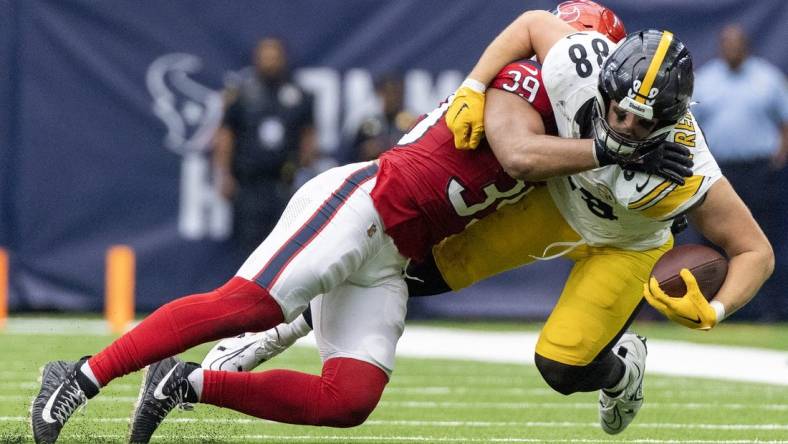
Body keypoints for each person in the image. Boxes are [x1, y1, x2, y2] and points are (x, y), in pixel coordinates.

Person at [201, 3, 773, 438]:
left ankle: (620, 372)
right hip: (556, 203)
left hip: (627, 243)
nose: (622, 123)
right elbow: (530, 28)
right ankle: (278, 328)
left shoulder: (688, 166)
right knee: (408, 268)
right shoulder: (573, 71)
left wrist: (716, 308)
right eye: (615, 108)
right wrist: (476, 85)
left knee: (561, 366)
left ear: (673, 120)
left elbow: (755, 251)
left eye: (639, 123)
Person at [691, 24, 788, 320]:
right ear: (721, 46)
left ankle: (768, 311)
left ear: (746, 45)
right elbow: (688, 126)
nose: (731, 48)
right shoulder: (706, 81)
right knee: (714, 242)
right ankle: (717, 306)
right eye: (726, 43)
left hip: (760, 171)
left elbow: (784, 122)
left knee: (763, 240)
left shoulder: (767, 79)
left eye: (736, 43)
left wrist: (778, 159)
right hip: (720, 172)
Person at [213, 37, 315, 256]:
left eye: (274, 56)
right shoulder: (241, 95)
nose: (270, 61)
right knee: (249, 248)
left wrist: (306, 170)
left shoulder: (299, 95)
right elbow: (226, 135)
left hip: (285, 183)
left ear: (283, 59)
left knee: (286, 248)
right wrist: (224, 174)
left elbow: (308, 134)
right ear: (256, 59)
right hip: (250, 184)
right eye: (266, 56)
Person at [350, 74, 416, 162]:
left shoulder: (412, 122)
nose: (392, 98)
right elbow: (350, 155)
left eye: (396, 93)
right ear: (380, 93)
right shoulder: (368, 121)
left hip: (401, 171)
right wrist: (364, 151)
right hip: (373, 171)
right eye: (388, 92)